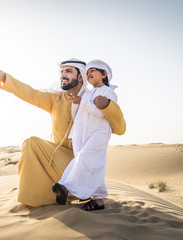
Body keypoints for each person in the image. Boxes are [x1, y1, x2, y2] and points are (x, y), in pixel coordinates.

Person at [0, 59, 126, 207]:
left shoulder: (93, 98)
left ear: (80, 76)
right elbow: (31, 93)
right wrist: (4, 77)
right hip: (57, 158)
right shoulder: (55, 99)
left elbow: (120, 129)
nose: (63, 75)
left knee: (80, 162)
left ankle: (72, 191)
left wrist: (107, 106)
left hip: (80, 162)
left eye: (68, 71)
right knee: (31, 143)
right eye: (62, 71)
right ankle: (32, 199)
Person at [52, 60, 117, 211]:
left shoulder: (109, 93)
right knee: (91, 165)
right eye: (87, 73)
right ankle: (98, 200)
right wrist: (72, 135)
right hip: (83, 135)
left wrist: (83, 102)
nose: (89, 74)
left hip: (99, 133)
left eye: (93, 71)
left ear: (104, 74)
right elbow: (79, 116)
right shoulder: (87, 94)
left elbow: (101, 113)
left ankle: (65, 187)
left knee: (84, 158)